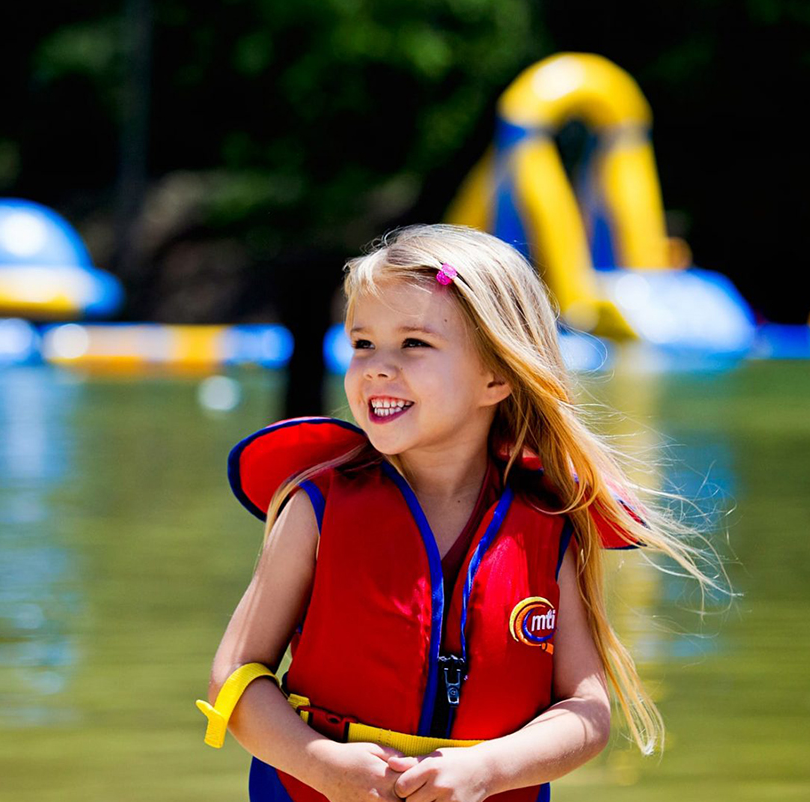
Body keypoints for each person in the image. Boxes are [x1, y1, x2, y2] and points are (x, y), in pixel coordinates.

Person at [197, 224, 730, 801]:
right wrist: (325, 767)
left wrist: (488, 771)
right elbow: (236, 676)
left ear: (497, 376)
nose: (377, 366)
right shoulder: (316, 505)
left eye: (414, 344)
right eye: (361, 343)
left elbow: (587, 709)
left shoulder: (549, 523)